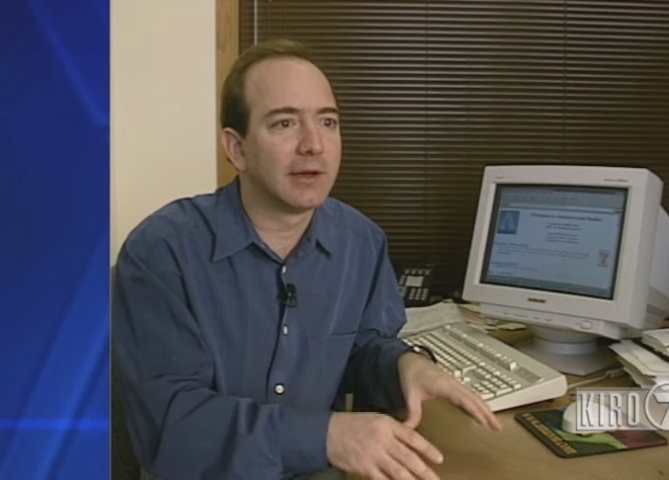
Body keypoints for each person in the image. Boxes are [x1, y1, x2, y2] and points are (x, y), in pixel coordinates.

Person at [111, 38, 501, 480]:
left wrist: (403, 364)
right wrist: (326, 437)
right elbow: (170, 426)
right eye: (284, 124)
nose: (314, 144)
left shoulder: (361, 241)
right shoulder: (162, 253)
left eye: (328, 122)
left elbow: (362, 348)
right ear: (236, 148)